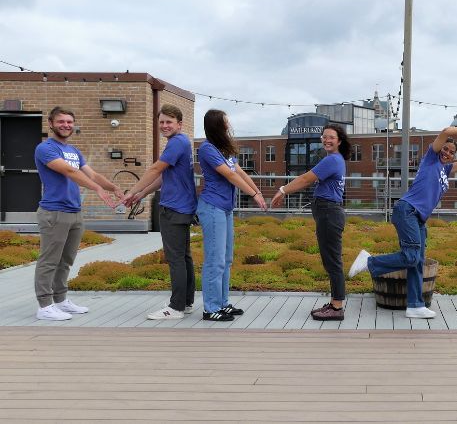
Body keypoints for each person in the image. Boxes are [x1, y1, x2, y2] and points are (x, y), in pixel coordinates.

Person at [348, 126, 457, 319]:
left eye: (451, 152)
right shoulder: (430, 159)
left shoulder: (446, 169)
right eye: (446, 149)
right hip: (407, 210)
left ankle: (415, 305)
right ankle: (370, 261)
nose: (447, 153)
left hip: (419, 218)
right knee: (411, 257)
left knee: (417, 262)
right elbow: (446, 131)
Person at [33, 107, 121, 320]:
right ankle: (45, 306)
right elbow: (70, 171)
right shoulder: (45, 149)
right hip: (54, 212)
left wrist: (113, 188)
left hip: (74, 212)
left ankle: (61, 300)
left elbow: (93, 174)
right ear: (51, 123)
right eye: (61, 121)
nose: (66, 125)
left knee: (66, 260)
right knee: (49, 260)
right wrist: (96, 189)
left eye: (69, 122)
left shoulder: (74, 151)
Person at [121, 104, 197, 320]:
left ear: (179, 124)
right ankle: (186, 302)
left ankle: (176, 308)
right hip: (183, 207)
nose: (164, 125)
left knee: (176, 259)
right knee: (183, 257)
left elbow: (155, 169)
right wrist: (142, 193)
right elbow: (164, 176)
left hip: (174, 208)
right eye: (161, 122)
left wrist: (131, 191)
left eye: (169, 122)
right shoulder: (181, 143)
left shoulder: (176, 143)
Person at [271, 124, 350, 321]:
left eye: (331, 137)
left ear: (339, 141)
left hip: (329, 214)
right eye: (324, 137)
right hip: (328, 213)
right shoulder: (334, 159)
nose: (326, 140)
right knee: (330, 259)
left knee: (332, 260)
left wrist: (282, 191)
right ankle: (334, 303)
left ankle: (337, 307)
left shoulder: (332, 160)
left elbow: (306, 179)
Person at [197, 109, 267, 321]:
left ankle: (223, 303)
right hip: (212, 207)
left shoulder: (224, 149)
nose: (229, 125)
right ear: (218, 125)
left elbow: (240, 172)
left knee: (226, 259)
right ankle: (210, 308)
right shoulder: (207, 149)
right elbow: (228, 174)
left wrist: (258, 192)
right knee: (215, 260)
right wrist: (253, 194)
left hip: (225, 209)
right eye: (226, 122)